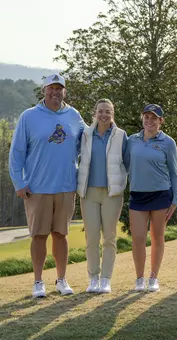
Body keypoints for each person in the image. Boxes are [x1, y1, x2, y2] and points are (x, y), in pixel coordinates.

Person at [9, 74, 86, 298]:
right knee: (39, 236)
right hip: (37, 188)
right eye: (51, 88)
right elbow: (16, 154)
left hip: (66, 186)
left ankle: (61, 280)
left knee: (61, 234)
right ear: (44, 91)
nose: (55, 92)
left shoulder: (73, 115)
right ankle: (38, 282)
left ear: (65, 92)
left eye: (59, 88)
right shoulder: (29, 116)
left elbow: (88, 140)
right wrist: (19, 183)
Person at [77, 99, 129, 294]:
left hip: (111, 194)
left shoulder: (121, 135)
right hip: (88, 193)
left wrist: (120, 184)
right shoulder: (85, 134)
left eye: (108, 111)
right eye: (100, 111)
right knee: (91, 237)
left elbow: (127, 163)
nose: (104, 115)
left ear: (112, 114)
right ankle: (93, 279)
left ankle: (106, 279)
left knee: (109, 238)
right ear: (95, 113)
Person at [125, 104, 177, 292]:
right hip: (138, 195)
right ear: (142, 119)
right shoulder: (132, 140)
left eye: (154, 118)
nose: (149, 121)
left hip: (161, 194)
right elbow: (123, 165)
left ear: (161, 121)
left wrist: (175, 199)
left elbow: (174, 173)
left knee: (157, 237)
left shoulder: (168, 142)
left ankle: (153, 277)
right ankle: (139, 278)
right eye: (146, 117)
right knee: (138, 238)